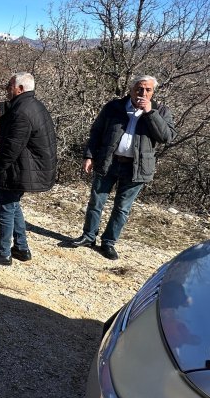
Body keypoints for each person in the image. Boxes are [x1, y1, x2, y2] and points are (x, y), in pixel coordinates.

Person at [67, 75, 177, 260]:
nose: (143, 93)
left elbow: (166, 137)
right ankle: (88, 236)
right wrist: (89, 155)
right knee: (96, 201)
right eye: (139, 89)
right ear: (131, 89)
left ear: (153, 92)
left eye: (148, 90)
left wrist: (150, 113)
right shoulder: (114, 107)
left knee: (122, 208)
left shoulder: (160, 111)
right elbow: (96, 132)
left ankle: (108, 242)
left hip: (136, 167)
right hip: (109, 161)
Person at [0, 73, 57, 265]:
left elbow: (12, 146)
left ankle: (3, 253)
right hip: (27, 167)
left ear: (20, 89)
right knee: (13, 206)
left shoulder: (21, 112)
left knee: (5, 209)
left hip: (18, 168)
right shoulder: (34, 105)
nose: (7, 88)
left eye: (10, 85)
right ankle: (21, 247)